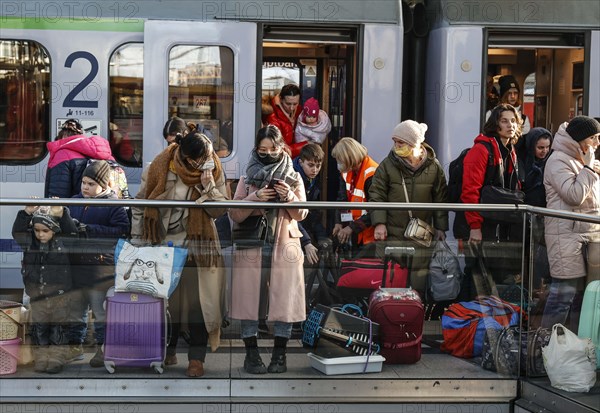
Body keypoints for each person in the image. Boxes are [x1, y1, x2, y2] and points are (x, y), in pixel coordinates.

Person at [131, 131, 228, 377]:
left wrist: (208, 189)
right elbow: (140, 205)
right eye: (196, 161)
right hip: (164, 246)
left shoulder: (213, 170)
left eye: (205, 158)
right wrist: (138, 242)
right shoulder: (160, 166)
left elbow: (220, 211)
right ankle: (167, 351)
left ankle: (197, 359)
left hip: (199, 246)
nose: (202, 165)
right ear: (183, 156)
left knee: (199, 305)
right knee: (168, 305)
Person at [229, 125, 307, 374]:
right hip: (252, 244)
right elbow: (235, 214)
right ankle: (251, 355)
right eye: (262, 150)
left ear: (281, 147)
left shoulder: (294, 177)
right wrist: (254, 198)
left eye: (272, 149)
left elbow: (303, 213)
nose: (267, 154)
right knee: (248, 300)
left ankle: (279, 356)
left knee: (284, 300)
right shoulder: (246, 178)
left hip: (284, 245)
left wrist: (289, 198)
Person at [369, 120, 449, 293]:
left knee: (417, 282)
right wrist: (379, 223)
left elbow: (440, 199)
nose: (396, 146)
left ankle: (415, 314)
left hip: (421, 234)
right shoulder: (387, 165)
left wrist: (441, 228)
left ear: (414, 143)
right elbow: (377, 195)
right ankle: (391, 316)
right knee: (391, 281)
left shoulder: (434, 167)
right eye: (395, 142)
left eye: (401, 142)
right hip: (392, 233)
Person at [67, 161, 130, 367]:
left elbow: (122, 230)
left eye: (91, 184)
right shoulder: (74, 202)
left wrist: (88, 228)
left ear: (103, 186)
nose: (85, 187)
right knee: (76, 309)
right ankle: (74, 347)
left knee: (100, 310)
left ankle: (104, 348)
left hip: (100, 266)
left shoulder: (113, 204)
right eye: (84, 183)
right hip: (77, 264)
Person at [542, 116, 600, 333]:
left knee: (583, 299)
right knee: (563, 296)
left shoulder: (584, 161)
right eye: (593, 138)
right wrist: (589, 170)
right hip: (566, 236)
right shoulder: (558, 160)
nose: (597, 143)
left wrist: (589, 168)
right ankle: (544, 345)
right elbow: (574, 196)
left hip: (589, 237)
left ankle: (573, 347)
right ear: (579, 140)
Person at [460, 104, 523, 285]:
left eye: (513, 121)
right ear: (495, 124)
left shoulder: (510, 150)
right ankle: (469, 311)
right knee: (477, 274)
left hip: (498, 226)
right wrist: (474, 226)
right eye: (504, 121)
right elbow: (469, 191)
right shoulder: (481, 150)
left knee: (494, 275)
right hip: (482, 225)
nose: (510, 125)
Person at [12, 203, 78, 373]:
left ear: (55, 230)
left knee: (58, 328)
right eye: (36, 230)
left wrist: (63, 213)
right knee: (40, 328)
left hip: (60, 295)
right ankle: (41, 358)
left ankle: (56, 358)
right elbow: (17, 232)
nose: (40, 234)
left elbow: (72, 232)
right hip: (38, 295)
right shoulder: (30, 243)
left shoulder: (63, 242)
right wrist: (27, 212)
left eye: (45, 231)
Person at [331, 137, 379, 254]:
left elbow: (375, 210)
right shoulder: (347, 171)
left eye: (340, 160)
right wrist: (338, 222)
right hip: (355, 232)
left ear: (349, 159)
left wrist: (351, 228)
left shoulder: (372, 174)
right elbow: (342, 199)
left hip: (370, 235)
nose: (338, 164)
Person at [45, 119, 115, 198]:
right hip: (106, 206)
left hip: (77, 208)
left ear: (63, 137)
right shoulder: (107, 156)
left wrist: (54, 208)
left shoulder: (62, 154)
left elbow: (59, 192)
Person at [293, 143, 328, 265]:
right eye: (311, 165)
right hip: (293, 230)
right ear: (301, 162)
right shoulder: (293, 178)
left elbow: (313, 213)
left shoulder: (311, 179)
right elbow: (292, 215)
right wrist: (306, 241)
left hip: (302, 228)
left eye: (318, 166)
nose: (315, 170)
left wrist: (322, 236)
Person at [266, 84, 305, 158]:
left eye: (295, 104)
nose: (292, 108)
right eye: (288, 104)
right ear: (280, 100)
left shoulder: (300, 111)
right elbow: (279, 148)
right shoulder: (273, 117)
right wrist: (305, 145)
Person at [522, 127, 553, 208]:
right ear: (531, 146)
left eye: (547, 147)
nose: (545, 151)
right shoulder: (522, 161)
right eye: (540, 147)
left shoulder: (551, 161)